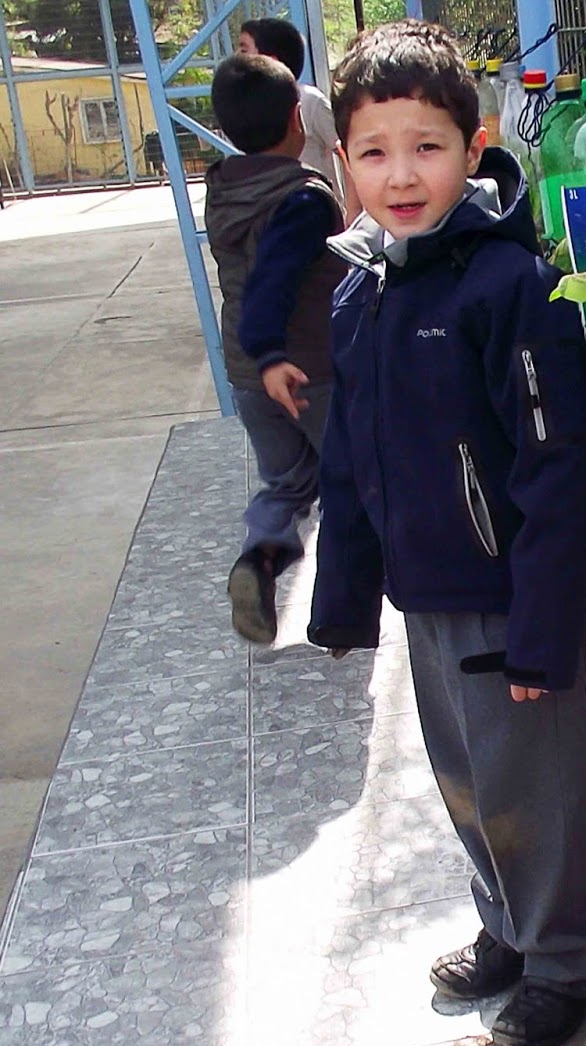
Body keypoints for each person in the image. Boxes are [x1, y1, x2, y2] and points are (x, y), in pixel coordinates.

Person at [310, 20, 586, 1046]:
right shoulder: (363, 287)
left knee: (534, 784)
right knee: (464, 777)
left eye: (427, 146)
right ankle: (505, 923)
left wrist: (543, 629)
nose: (402, 174)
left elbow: (555, 462)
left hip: (502, 597)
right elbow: (351, 451)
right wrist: (348, 591)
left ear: (474, 144)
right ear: (342, 161)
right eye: (375, 150)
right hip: (424, 592)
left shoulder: (509, 287)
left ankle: (568, 952)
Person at [204, 54, 347, 643]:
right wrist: (272, 356)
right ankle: (341, 609)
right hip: (302, 370)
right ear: (298, 119)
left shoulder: (223, 188)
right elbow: (274, 282)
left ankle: (258, 559)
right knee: (348, 481)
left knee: (287, 482)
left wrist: (256, 361)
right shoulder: (303, 200)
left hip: (246, 374)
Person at [238, 16, 352, 216]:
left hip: (318, 214)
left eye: (244, 50)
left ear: (270, 61)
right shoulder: (251, 108)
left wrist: (353, 211)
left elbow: (346, 153)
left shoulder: (311, 101)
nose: (237, 57)